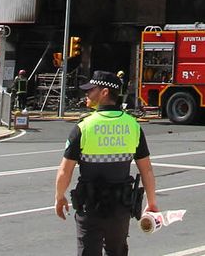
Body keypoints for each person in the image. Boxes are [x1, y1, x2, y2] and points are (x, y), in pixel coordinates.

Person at [53, 70, 160, 255]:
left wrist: (59, 196)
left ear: (104, 93)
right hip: (120, 208)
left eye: (91, 89)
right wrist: (151, 202)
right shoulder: (133, 126)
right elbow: (147, 170)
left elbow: (65, 170)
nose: (87, 93)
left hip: (90, 208)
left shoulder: (84, 127)